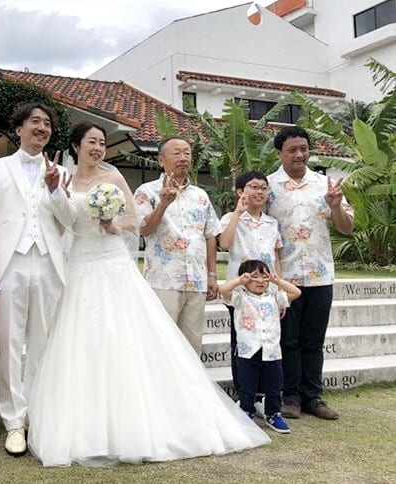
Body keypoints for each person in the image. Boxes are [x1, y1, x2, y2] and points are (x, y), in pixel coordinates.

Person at [28, 121, 270, 467]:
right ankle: (89, 427)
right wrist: (54, 191)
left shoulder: (114, 178)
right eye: (91, 142)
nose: (98, 148)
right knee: (84, 340)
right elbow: (67, 220)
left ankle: (148, 419)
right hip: (82, 263)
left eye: (101, 143)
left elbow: (133, 222)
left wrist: (113, 223)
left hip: (114, 261)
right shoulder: (65, 179)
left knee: (127, 339)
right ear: (76, 146)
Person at [0, 102, 77, 455]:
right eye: (35, 121)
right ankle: (13, 422)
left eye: (47, 123)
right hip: (10, 264)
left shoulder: (60, 171)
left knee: (42, 343)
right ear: (18, 129)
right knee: (9, 343)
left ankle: (37, 412)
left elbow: (70, 220)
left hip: (48, 262)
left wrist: (55, 190)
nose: (42, 127)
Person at [267, 126, 354, 420]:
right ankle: (290, 397)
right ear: (279, 153)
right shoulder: (268, 187)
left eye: (303, 148)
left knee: (314, 341)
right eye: (292, 150)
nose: (299, 155)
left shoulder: (324, 185)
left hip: (320, 274)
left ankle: (313, 397)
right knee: (288, 340)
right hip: (284, 277)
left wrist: (335, 206)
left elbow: (346, 227)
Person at [134, 136, 221, 353]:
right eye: (177, 153)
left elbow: (210, 235)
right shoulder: (146, 191)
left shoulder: (201, 195)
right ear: (161, 160)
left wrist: (211, 275)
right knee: (162, 344)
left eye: (187, 153)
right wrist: (163, 204)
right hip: (164, 280)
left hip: (197, 281)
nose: (183, 158)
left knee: (193, 344)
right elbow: (143, 230)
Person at [219, 170, 283, 399]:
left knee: (267, 340)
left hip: (267, 291)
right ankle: (244, 394)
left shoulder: (272, 223)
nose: (259, 192)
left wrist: (279, 290)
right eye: (254, 187)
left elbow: (275, 257)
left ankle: (264, 394)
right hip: (240, 291)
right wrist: (238, 212)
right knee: (241, 341)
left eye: (263, 188)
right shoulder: (230, 218)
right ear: (240, 192)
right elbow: (224, 244)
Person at [219, 260, 301, 434]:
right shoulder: (240, 298)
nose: (260, 281)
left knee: (274, 385)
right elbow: (223, 290)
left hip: (272, 351)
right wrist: (240, 281)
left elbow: (296, 292)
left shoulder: (274, 297)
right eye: (254, 277)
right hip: (248, 351)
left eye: (264, 277)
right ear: (245, 279)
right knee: (247, 386)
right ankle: (246, 411)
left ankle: (273, 413)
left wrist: (278, 281)